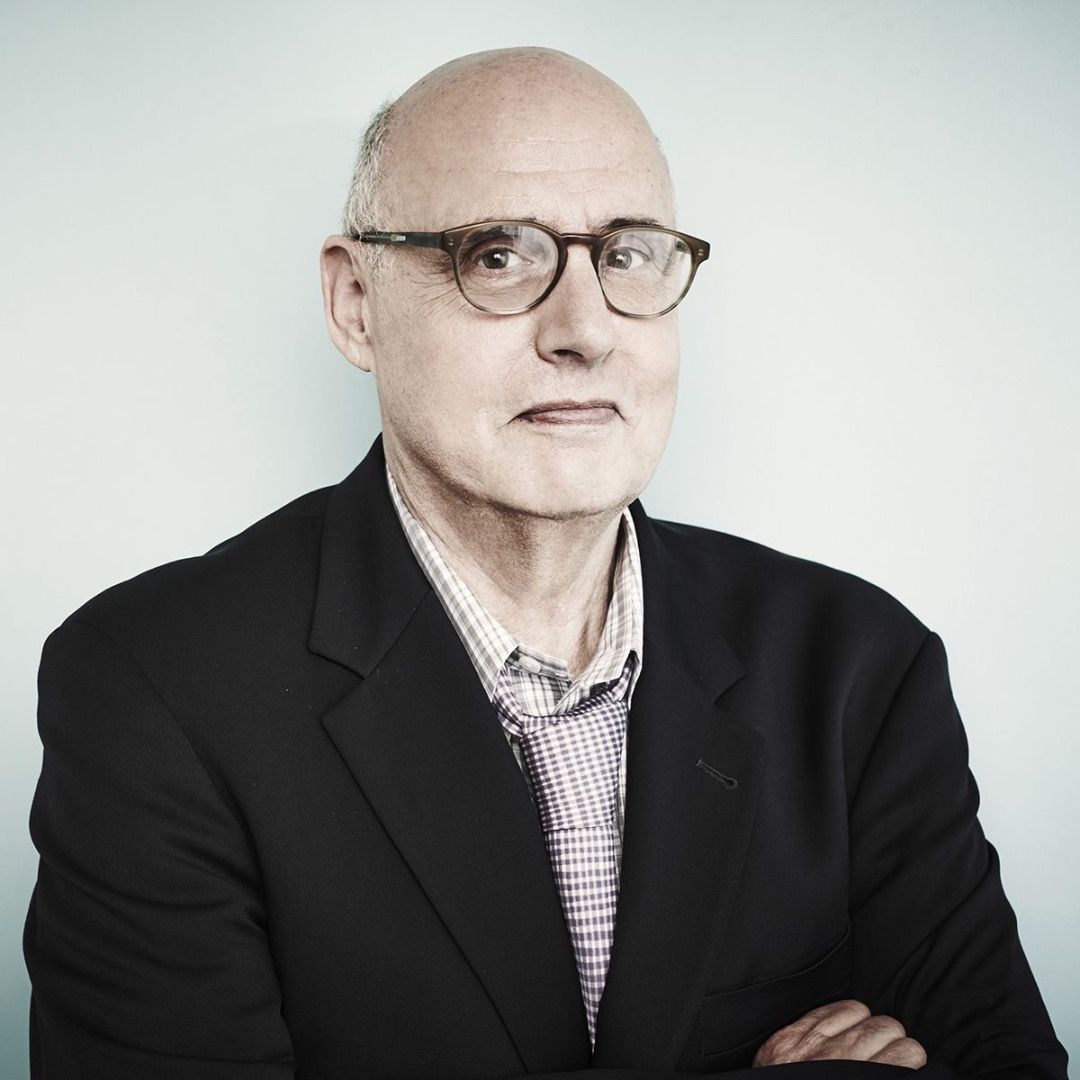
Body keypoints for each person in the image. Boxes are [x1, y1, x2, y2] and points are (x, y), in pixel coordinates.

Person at [23, 46, 1066, 1080]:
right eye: (497, 255)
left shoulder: (857, 666)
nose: (584, 332)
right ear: (355, 304)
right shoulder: (158, 688)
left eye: (629, 255)